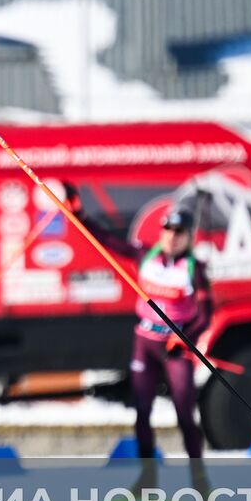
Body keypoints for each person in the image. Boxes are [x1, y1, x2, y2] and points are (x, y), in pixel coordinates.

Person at [79, 202, 213, 486]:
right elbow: (108, 241)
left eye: (179, 231)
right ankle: (148, 479)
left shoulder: (194, 268)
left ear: (189, 236)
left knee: (184, 412)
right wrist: (80, 214)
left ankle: (199, 479)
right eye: (168, 229)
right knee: (142, 411)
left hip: (174, 346)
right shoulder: (145, 255)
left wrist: (184, 336)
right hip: (145, 342)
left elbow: (205, 315)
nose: (172, 236)